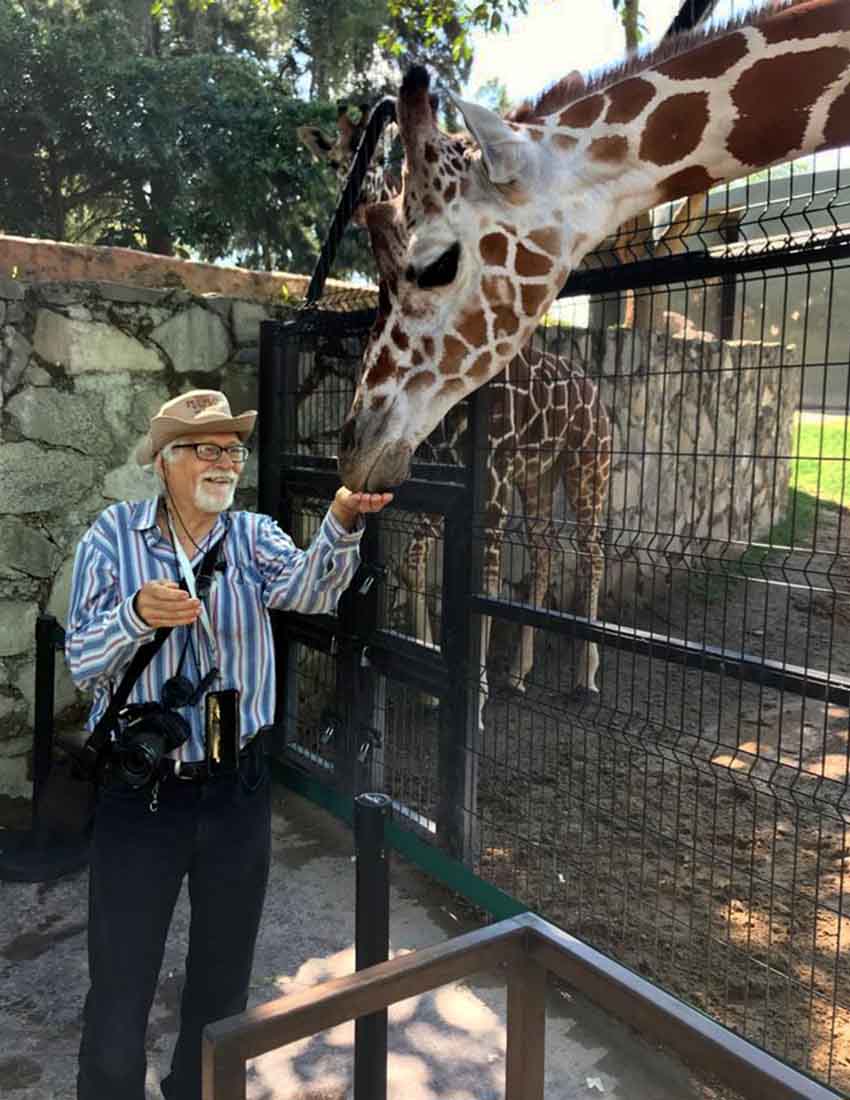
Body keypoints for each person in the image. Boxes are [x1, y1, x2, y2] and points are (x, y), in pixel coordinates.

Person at [65, 389, 392, 1100]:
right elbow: (82, 660)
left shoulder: (251, 536)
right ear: (164, 461)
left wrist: (338, 521)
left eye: (232, 450)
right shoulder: (112, 537)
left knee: (221, 985)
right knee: (121, 987)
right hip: (141, 797)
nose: (224, 461)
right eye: (205, 448)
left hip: (237, 788)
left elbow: (310, 593)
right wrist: (133, 615)